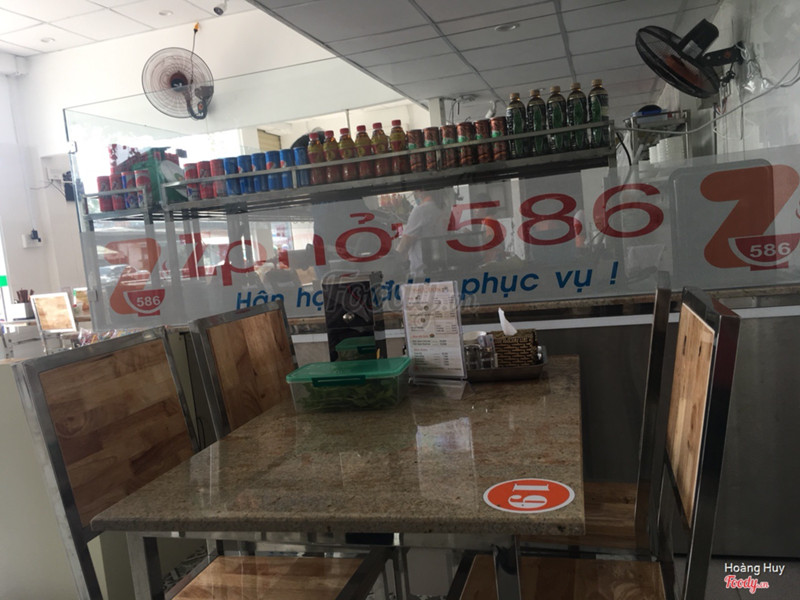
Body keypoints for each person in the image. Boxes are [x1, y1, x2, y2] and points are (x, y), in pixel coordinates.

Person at [396, 189, 449, 279]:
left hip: (421, 272)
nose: (415, 194)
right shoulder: (443, 209)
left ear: (422, 192)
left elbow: (405, 243)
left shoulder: (420, 210)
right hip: (440, 268)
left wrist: (393, 260)